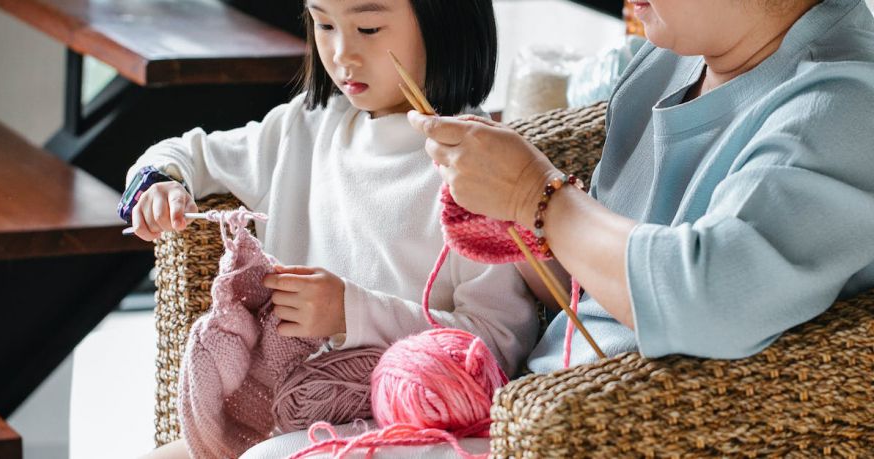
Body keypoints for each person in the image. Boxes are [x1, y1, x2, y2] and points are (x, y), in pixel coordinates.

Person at [128, 0, 538, 457]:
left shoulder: (478, 167)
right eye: (324, 24)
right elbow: (186, 153)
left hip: (414, 423)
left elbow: (498, 347)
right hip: (288, 411)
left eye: (368, 27)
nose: (342, 53)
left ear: (445, 22)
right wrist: (160, 185)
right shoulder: (303, 130)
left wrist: (352, 312)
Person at [408, 0, 874, 373]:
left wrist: (539, 195)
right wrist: (519, 212)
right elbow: (591, 298)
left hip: (632, 421)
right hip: (536, 397)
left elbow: (706, 303)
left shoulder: (842, 106)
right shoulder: (668, 60)